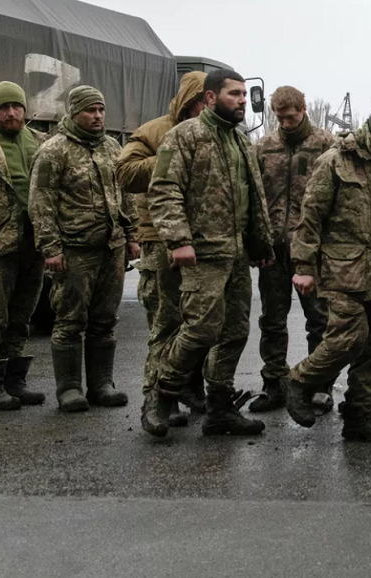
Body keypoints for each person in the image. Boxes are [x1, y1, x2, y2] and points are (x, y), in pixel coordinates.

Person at [142, 69, 275, 438]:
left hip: (235, 255)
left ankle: (220, 409)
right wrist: (178, 240)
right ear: (211, 97)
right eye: (234, 94)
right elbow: (164, 189)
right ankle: (161, 394)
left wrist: (259, 245)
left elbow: (252, 198)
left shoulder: (240, 141)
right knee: (200, 329)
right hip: (201, 253)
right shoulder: (185, 136)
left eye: (245, 95)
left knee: (234, 332)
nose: (243, 100)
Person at [284, 98, 371, 442]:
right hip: (341, 271)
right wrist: (303, 266)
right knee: (347, 338)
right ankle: (298, 380)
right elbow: (310, 218)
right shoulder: (335, 162)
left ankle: (359, 415)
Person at [28, 86, 138, 412]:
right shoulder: (53, 151)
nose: (98, 116)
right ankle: (69, 389)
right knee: (70, 321)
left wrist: (130, 234)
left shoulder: (111, 147)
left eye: (101, 110)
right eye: (90, 111)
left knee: (104, 320)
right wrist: (50, 248)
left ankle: (102, 384)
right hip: (74, 250)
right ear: (74, 112)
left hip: (111, 248)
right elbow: (41, 204)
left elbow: (125, 195)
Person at [117, 71, 208, 426]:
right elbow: (125, 173)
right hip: (160, 239)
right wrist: (171, 155)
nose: (207, 107)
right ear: (190, 100)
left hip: (202, 241)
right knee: (166, 322)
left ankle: (190, 388)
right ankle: (156, 400)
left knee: (200, 324)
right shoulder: (156, 131)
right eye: (202, 100)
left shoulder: (218, 134)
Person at [248, 86, 338, 415]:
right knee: (272, 320)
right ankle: (274, 384)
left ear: (303, 109)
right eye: (280, 118)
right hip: (273, 248)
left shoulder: (326, 145)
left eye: (291, 116)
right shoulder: (264, 147)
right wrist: (256, 240)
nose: (286, 123)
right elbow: (253, 196)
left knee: (320, 320)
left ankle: (317, 386)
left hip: (312, 249)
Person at [0, 81, 48, 409]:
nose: (11, 113)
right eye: (3, 108)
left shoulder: (40, 142)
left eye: (16, 107)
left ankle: (15, 380)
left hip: (34, 243)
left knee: (21, 315)